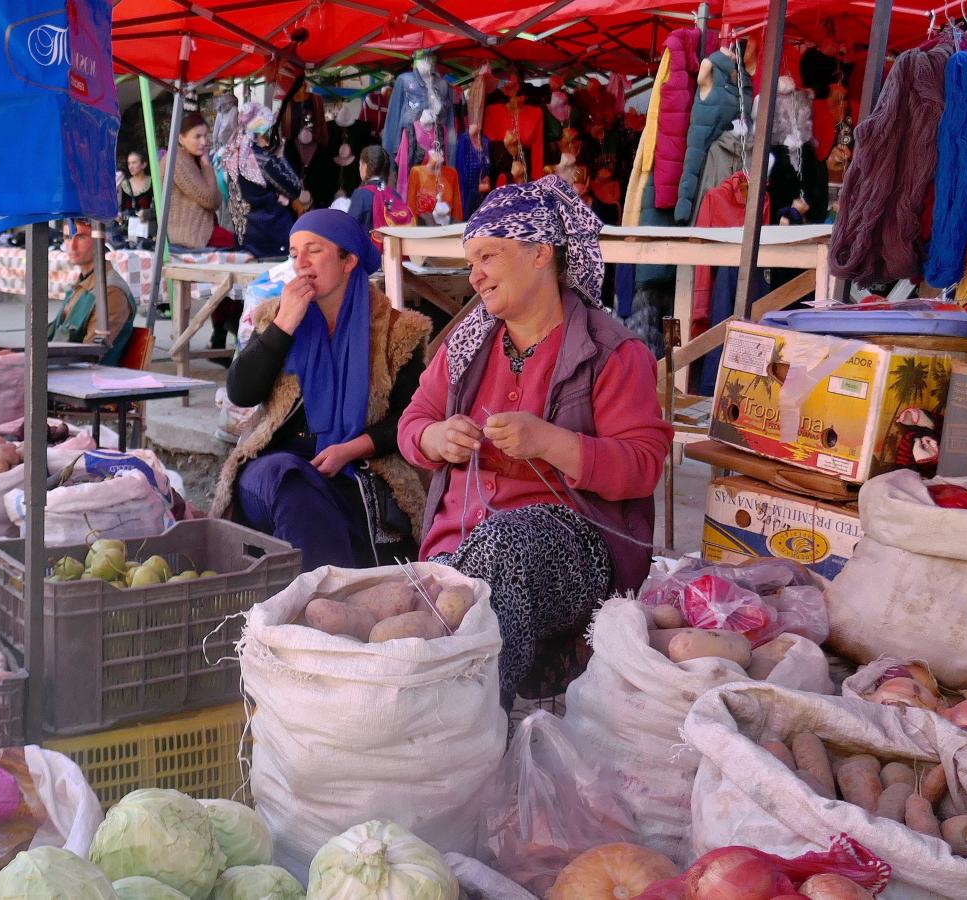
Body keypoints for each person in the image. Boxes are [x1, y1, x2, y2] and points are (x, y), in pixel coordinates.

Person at [397, 175, 673, 707]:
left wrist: (551, 442)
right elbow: (413, 424)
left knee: (504, 549)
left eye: (488, 257)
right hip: (459, 547)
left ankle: (465, 724)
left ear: (540, 253)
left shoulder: (610, 352)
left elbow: (642, 466)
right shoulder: (467, 344)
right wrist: (436, 438)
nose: (474, 275)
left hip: (576, 549)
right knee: (436, 593)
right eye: (470, 260)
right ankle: (438, 721)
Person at [210, 209, 432, 570]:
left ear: (349, 260)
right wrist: (284, 324)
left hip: (359, 471)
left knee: (316, 507)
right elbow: (241, 391)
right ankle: (329, 603)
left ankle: (322, 603)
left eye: (314, 250)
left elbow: (412, 416)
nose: (301, 263)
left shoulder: (397, 331)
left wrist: (350, 449)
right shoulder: (275, 315)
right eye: (294, 253)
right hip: (274, 471)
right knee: (291, 480)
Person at [48, 220, 136, 366]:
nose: (72, 246)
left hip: (85, 379)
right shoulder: (82, 284)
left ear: (102, 240)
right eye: (68, 237)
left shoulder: (111, 291)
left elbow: (89, 356)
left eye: (81, 237)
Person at [221, 102, 302, 260]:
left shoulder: (234, 155)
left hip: (245, 239)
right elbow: (295, 188)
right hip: (271, 239)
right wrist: (280, 155)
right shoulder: (262, 160)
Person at [166, 113, 234, 250]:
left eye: (205, 136)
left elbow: (217, 199)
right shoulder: (177, 161)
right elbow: (210, 200)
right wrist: (207, 167)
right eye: (197, 137)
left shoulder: (191, 159)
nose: (204, 142)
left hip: (200, 231)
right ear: (180, 138)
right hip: (189, 235)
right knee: (239, 244)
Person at [346, 145, 397, 232]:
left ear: (364, 166)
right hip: (391, 244)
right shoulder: (395, 194)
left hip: (369, 244)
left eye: (360, 164)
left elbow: (351, 228)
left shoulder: (361, 194)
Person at [117, 150, 154, 247]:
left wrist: (148, 213)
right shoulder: (125, 184)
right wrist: (119, 214)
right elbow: (121, 207)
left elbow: (159, 208)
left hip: (149, 231)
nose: (130, 166)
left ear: (143, 164)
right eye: (129, 163)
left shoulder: (153, 183)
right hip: (128, 232)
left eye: (134, 163)